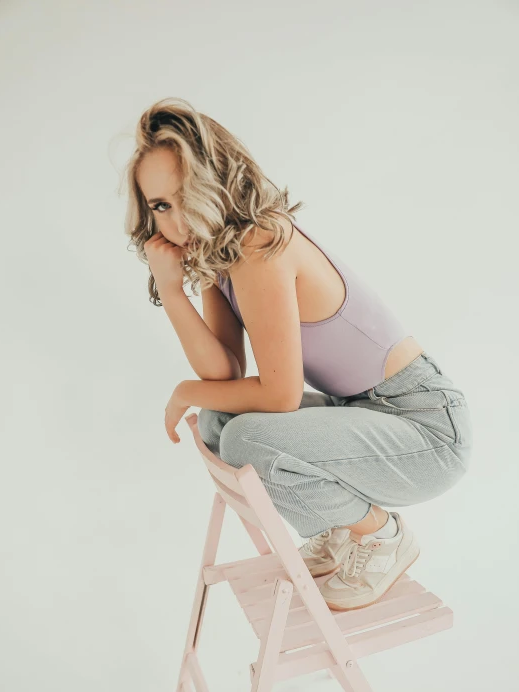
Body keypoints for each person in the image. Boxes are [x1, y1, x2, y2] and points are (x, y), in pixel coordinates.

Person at [122, 97, 473, 611]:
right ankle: (340, 530)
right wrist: (172, 290)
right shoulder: (222, 252)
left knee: (245, 434)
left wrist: (183, 392)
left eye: (186, 196)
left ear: (217, 180)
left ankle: (380, 535)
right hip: (364, 411)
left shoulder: (259, 245)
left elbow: (281, 396)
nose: (176, 222)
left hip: (425, 428)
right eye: (159, 206)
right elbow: (224, 370)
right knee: (224, 418)